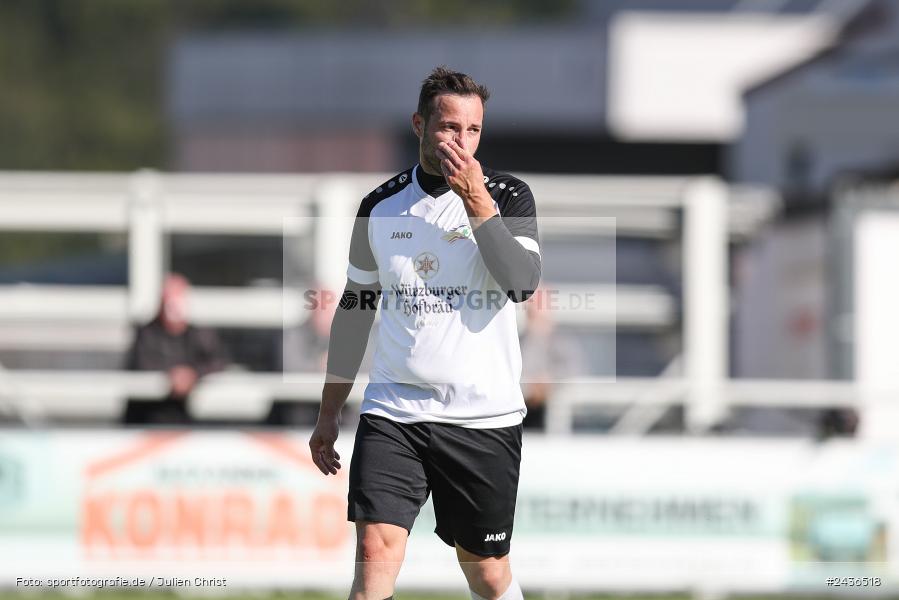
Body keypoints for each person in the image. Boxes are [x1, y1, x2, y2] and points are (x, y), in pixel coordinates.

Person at [308, 66, 540, 600]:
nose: (462, 141)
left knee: (487, 573)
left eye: (473, 130)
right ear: (419, 125)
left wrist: (476, 201)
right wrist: (327, 412)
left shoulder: (508, 196)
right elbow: (355, 312)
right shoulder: (379, 208)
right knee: (375, 557)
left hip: (482, 417)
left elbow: (522, 284)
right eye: (449, 128)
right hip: (395, 411)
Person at [123, 273, 229, 425]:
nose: (174, 306)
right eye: (169, 300)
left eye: (178, 299)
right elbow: (142, 363)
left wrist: (192, 374)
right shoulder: (147, 332)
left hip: (188, 418)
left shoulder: (198, 334)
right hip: (148, 417)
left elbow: (218, 361)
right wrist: (172, 376)